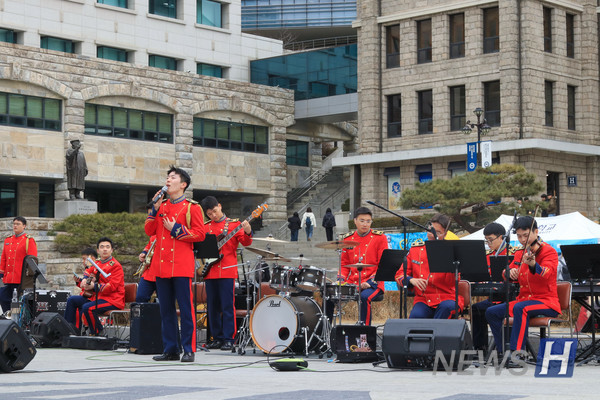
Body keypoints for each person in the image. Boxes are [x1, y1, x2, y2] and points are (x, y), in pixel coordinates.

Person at [145, 165, 205, 363]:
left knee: (186, 310)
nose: (168, 180)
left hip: (181, 266)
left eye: (173, 177)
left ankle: (189, 349)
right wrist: (154, 209)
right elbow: (149, 230)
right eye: (167, 177)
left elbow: (200, 235)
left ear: (183, 184)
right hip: (161, 267)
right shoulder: (161, 206)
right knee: (166, 310)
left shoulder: (192, 207)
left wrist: (177, 229)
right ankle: (171, 349)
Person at [486, 216, 560, 358]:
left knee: (521, 308)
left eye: (525, 236)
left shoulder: (548, 251)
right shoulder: (520, 253)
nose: (522, 240)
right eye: (519, 236)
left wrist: (533, 264)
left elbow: (547, 273)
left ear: (536, 231)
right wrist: (509, 272)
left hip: (546, 301)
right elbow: (505, 272)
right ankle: (502, 350)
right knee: (491, 312)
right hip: (524, 300)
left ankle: (517, 352)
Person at [200, 196, 253, 351]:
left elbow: (246, 242)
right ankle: (215, 337)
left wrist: (248, 231)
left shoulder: (234, 224)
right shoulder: (206, 227)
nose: (213, 216)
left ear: (220, 206)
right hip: (210, 271)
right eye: (209, 214)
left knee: (227, 305)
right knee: (212, 306)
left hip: (227, 270)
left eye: (215, 211)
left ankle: (229, 338)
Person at [394, 213, 463, 319]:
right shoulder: (415, 250)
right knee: (416, 318)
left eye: (438, 232)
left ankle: (437, 335)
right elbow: (399, 275)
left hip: (448, 297)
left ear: (445, 234)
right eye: (430, 231)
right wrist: (411, 280)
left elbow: (454, 281)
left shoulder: (451, 251)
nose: (432, 234)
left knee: (445, 309)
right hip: (424, 299)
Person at [64, 237, 125, 335]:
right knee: (72, 300)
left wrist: (94, 286)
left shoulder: (116, 266)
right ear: (98, 250)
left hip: (113, 299)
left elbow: (111, 287)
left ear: (112, 250)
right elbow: (88, 272)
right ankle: (68, 331)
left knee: (87, 307)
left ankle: (97, 332)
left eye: (107, 247)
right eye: (102, 247)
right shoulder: (97, 263)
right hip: (98, 297)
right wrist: (82, 280)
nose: (105, 249)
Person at [339, 206, 388, 325]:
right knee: (329, 297)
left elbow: (384, 265)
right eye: (362, 220)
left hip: (373, 283)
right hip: (354, 282)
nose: (365, 224)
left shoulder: (380, 238)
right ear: (355, 221)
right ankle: (327, 332)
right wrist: (341, 280)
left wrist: (369, 283)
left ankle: (365, 333)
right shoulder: (348, 239)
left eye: (368, 221)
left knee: (364, 297)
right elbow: (344, 265)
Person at [470, 222, 514, 352]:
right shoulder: (487, 256)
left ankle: (504, 348)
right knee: (476, 309)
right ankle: (480, 347)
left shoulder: (512, 254)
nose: (488, 243)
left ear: (502, 237)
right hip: (493, 298)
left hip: (509, 298)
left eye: (491, 240)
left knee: (493, 311)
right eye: (486, 240)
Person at [0, 216, 38, 314]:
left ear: (24, 226)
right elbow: (4, 257)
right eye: (14, 224)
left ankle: (18, 323)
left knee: (18, 303)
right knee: (3, 298)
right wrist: (1, 272)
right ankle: (7, 318)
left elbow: (32, 260)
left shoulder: (28, 240)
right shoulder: (8, 240)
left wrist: (29, 276)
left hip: (21, 279)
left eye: (18, 224)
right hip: (8, 278)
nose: (15, 226)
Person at [136, 234, 157, 303]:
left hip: (165, 273)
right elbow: (149, 245)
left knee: (164, 302)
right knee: (140, 298)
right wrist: (144, 253)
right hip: (149, 272)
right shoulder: (155, 234)